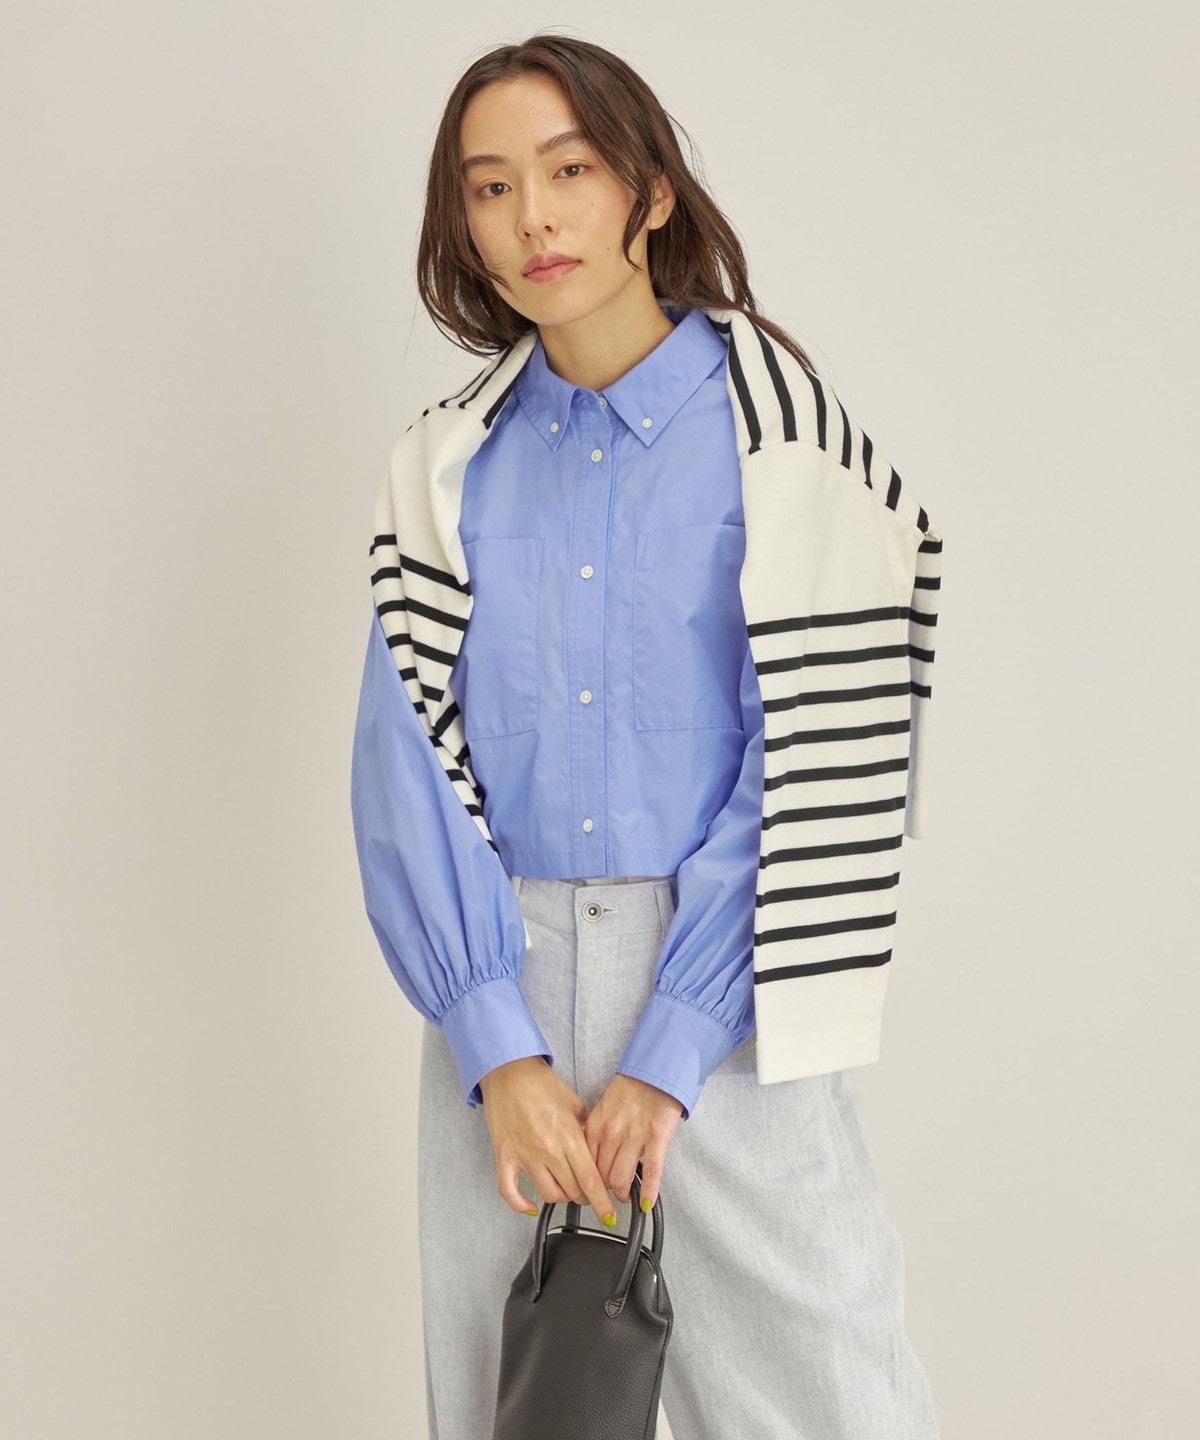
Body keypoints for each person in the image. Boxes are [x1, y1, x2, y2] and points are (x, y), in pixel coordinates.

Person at [350, 31, 942, 1440]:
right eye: (490, 186)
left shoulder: (791, 452)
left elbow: (817, 765)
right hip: (498, 982)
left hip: (730, 987)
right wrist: (495, 1046)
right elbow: (407, 761)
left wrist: (674, 1047)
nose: (533, 218)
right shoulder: (445, 464)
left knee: (828, 1402)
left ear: (652, 190)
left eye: (570, 170)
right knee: (521, 1407)